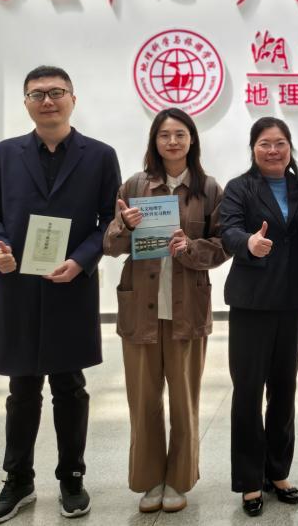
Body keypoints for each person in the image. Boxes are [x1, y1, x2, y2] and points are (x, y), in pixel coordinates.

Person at [0, 65, 121, 523]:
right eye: (37, 94)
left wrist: (81, 259)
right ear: (26, 104)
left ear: (73, 99)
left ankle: (72, 478)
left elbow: (109, 221)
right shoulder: (4, 154)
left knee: (70, 387)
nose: (48, 101)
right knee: (22, 388)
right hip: (18, 286)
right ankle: (18, 479)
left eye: (56, 92)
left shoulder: (100, 156)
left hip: (69, 285)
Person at [102, 108, 228, 514]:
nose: (172, 142)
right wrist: (125, 226)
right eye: (164, 135)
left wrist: (189, 247)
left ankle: (178, 479)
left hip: (186, 308)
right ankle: (150, 480)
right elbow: (110, 245)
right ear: (154, 142)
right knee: (143, 401)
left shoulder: (209, 189)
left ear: (192, 140)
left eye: (180, 134)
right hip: (141, 307)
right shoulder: (135, 185)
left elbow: (223, 246)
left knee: (184, 401)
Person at [219, 117, 298, 517]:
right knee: (247, 393)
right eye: (265, 143)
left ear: (290, 147)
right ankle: (249, 480)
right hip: (251, 303)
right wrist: (248, 242)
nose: (273, 150)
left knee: (284, 389)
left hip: (293, 304)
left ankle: (277, 472)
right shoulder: (239, 188)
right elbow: (227, 230)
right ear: (253, 149)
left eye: (280, 143)